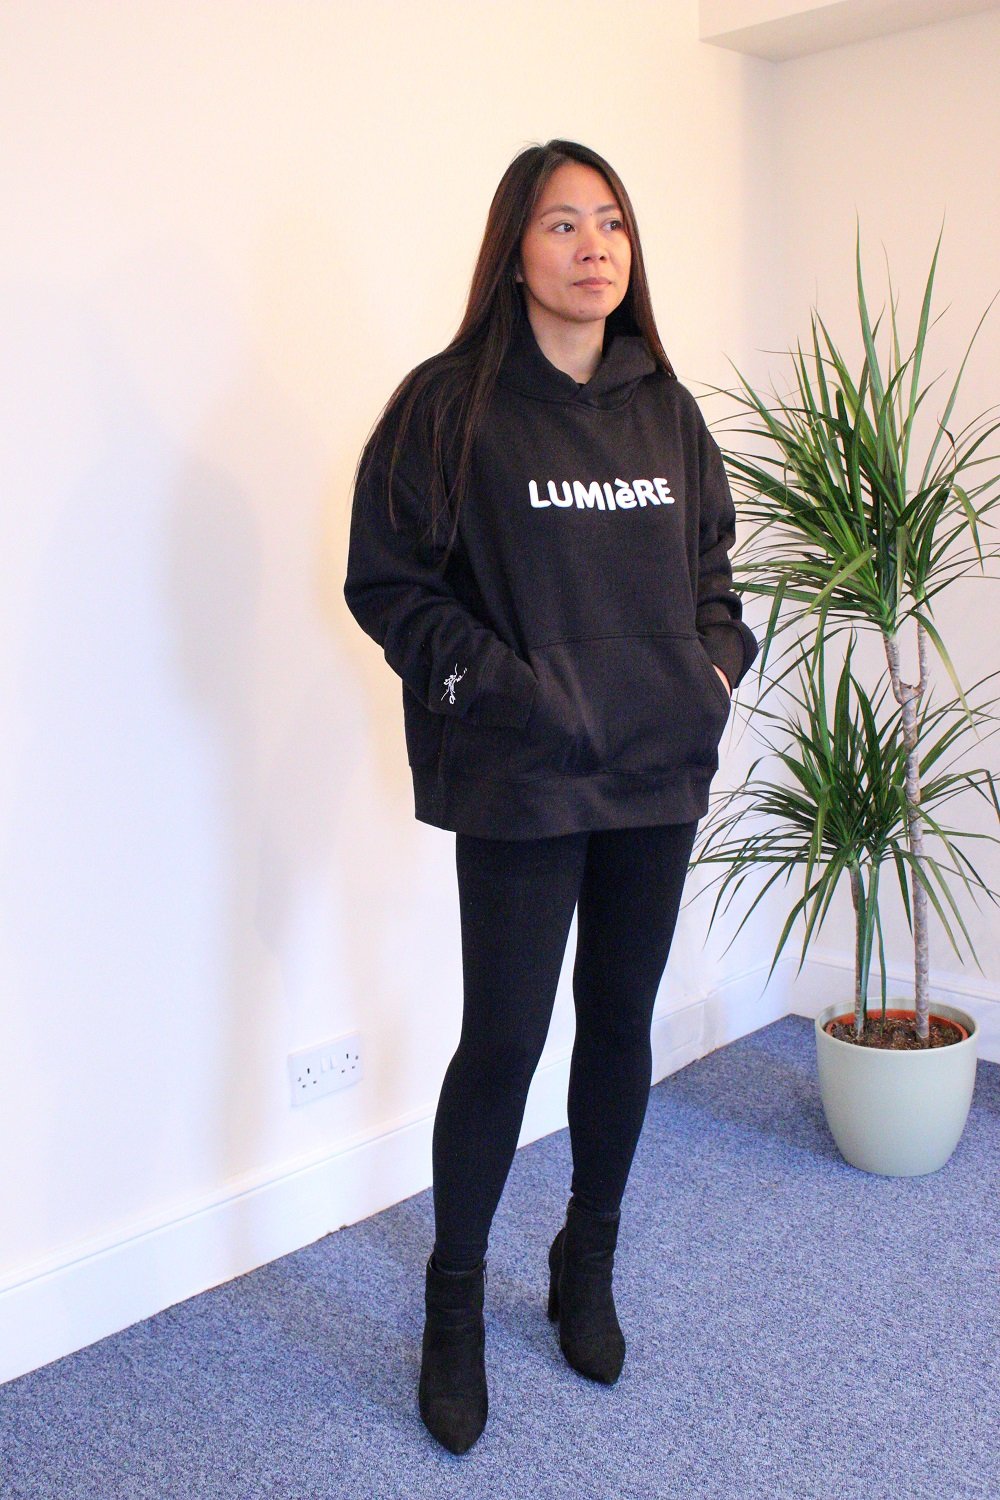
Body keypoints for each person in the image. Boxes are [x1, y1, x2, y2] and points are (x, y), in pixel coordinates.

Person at [344, 139, 758, 1454]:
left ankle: (588, 1258)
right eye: (564, 223)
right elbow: (388, 583)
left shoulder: (666, 409)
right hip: (523, 775)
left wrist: (709, 673)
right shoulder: (449, 405)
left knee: (619, 1023)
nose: (594, 247)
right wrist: (506, 692)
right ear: (513, 250)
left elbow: (716, 577)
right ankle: (455, 1304)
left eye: (612, 223)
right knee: (506, 1040)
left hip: (654, 774)